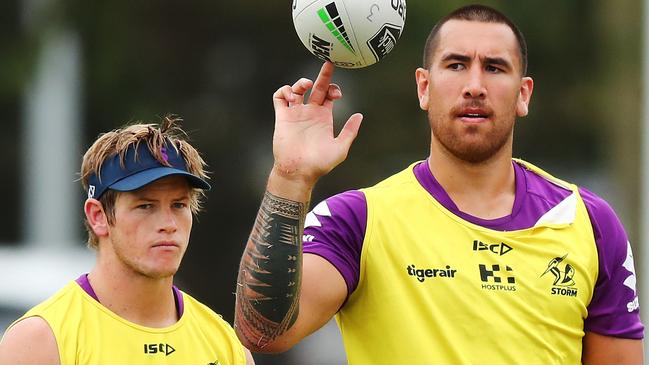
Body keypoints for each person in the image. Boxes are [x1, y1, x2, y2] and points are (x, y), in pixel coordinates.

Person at [234, 4, 644, 364]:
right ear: (424, 87)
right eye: (456, 64)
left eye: (495, 67)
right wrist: (290, 178)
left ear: (523, 94)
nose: (475, 86)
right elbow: (262, 334)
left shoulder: (588, 222)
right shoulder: (358, 220)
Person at [0, 116, 254, 365]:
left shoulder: (226, 346)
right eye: (145, 206)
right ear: (98, 216)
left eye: (178, 205)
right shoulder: (40, 341)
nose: (168, 224)